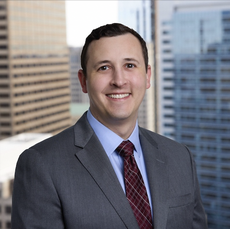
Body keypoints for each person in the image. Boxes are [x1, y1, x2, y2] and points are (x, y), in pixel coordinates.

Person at [11, 23, 208, 229]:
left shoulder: (180, 157)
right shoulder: (42, 165)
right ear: (83, 81)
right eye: (104, 67)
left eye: (129, 65)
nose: (119, 80)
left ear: (148, 76)